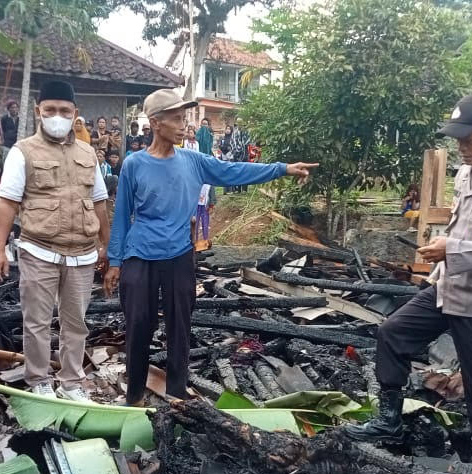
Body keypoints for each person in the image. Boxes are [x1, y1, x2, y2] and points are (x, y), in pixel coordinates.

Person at [343, 93, 472, 464]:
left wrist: (453, 250)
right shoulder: (467, 172)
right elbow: (460, 227)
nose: (461, 147)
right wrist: (439, 267)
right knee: (393, 334)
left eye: (469, 138)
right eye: (457, 139)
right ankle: (389, 420)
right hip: (446, 289)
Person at [104, 89, 316, 406]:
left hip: (178, 256)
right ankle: (133, 396)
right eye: (176, 119)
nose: (183, 125)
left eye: (183, 118)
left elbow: (235, 171)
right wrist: (115, 261)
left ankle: (176, 397)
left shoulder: (195, 161)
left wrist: (282, 168)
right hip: (139, 256)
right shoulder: (135, 164)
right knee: (138, 326)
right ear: (155, 123)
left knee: (179, 327)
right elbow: (121, 214)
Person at [0, 80, 111, 401]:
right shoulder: (23, 151)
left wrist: (107, 246)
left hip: (82, 255)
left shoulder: (88, 153)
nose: (58, 116)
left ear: (75, 114)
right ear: (38, 112)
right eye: (51, 110)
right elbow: (7, 203)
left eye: (64, 111)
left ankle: (71, 382)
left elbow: (99, 203)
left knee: (76, 324)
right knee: (37, 322)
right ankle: (39, 380)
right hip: (38, 250)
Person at [194, 183, 215, 249]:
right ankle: (195, 241)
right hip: (195, 205)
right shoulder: (196, 179)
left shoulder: (210, 183)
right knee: (195, 224)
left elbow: (212, 194)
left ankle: (205, 241)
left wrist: (211, 205)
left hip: (205, 205)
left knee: (205, 224)